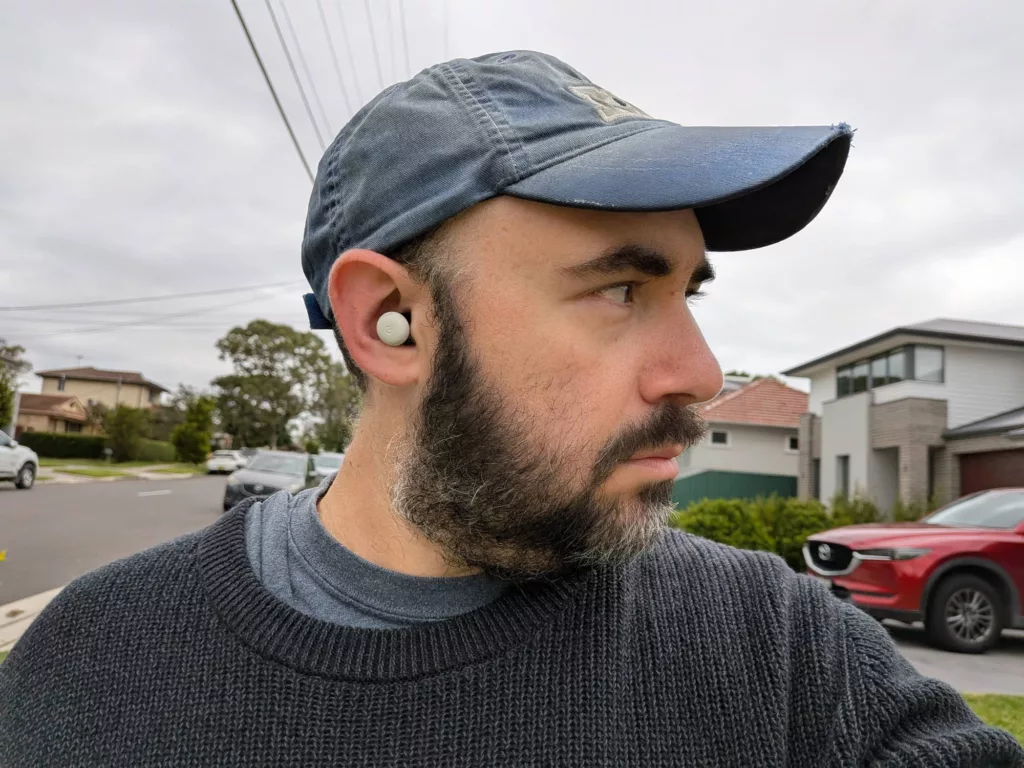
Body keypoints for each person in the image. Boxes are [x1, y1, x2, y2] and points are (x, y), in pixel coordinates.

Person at [2, 51, 1021, 767]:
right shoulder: (97, 659)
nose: (699, 373)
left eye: (687, 294)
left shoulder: (774, 648)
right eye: (620, 288)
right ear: (392, 321)